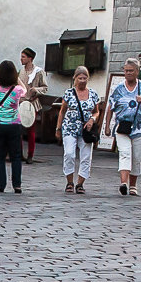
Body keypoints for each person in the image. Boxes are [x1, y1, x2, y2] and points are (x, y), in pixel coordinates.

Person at [104, 58, 141, 197]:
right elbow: (110, 107)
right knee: (125, 153)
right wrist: (107, 126)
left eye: (131, 71)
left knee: (137, 156)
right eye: (126, 71)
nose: (128, 73)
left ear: (137, 72)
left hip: (140, 127)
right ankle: (123, 183)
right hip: (123, 126)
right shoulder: (119, 88)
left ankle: (133, 185)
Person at [55, 65, 98, 194]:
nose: (82, 80)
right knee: (69, 154)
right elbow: (62, 111)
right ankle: (69, 182)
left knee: (86, 157)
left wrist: (92, 120)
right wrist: (58, 128)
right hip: (70, 127)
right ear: (75, 78)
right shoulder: (69, 93)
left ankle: (80, 183)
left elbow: (96, 112)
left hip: (86, 129)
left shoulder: (93, 94)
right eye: (80, 78)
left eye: (85, 78)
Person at [0, 60, 25, 193]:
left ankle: (1, 185)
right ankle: (17, 185)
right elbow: (25, 91)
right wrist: (18, 79)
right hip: (13, 124)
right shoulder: (17, 90)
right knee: (16, 156)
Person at [18, 48, 48, 163]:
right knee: (19, 130)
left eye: (23, 57)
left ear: (30, 58)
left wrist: (36, 89)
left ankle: (30, 155)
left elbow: (45, 88)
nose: (21, 59)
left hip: (32, 103)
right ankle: (19, 153)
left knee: (31, 130)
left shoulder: (39, 72)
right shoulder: (21, 71)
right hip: (21, 103)